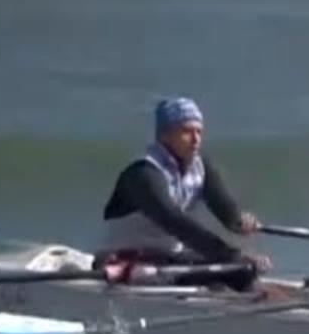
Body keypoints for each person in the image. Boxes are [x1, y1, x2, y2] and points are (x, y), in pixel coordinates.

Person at [98, 97, 270, 290]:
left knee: (242, 270)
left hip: (168, 258)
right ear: (164, 135)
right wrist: (232, 255)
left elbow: (226, 211)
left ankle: (257, 299)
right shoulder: (143, 173)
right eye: (186, 132)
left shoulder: (200, 167)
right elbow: (174, 221)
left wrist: (240, 222)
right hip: (125, 259)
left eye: (199, 132)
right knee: (234, 267)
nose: (196, 139)